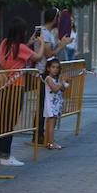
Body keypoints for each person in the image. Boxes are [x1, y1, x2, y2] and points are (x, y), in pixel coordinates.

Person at [0, 17, 45, 166]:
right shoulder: (21, 48)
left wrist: (29, 43)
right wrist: (40, 43)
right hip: (16, 87)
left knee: (2, 120)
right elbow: (38, 56)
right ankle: (6, 155)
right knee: (11, 121)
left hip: (2, 86)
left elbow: (17, 53)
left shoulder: (5, 43)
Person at [35, 8, 71, 142]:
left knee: (43, 105)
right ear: (55, 19)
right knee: (44, 105)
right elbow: (49, 54)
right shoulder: (45, 33)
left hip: (42, 70)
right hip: (43, 72)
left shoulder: (41, 30)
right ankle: (39, 135)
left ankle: (40, 134)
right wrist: (62, 45)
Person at [42, 57, 68, 150]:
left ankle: (48, 142)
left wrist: (63, 82)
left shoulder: (56, 79)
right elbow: (55, 89)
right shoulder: (48, 78)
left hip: (56, 104)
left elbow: (63, 89)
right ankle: (51, 143)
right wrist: (61, 83)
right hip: (51, 104)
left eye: (57, 68)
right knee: (51, 123)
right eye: (53, 67)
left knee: (51, 123)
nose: (55, 70)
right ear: (48, 68)